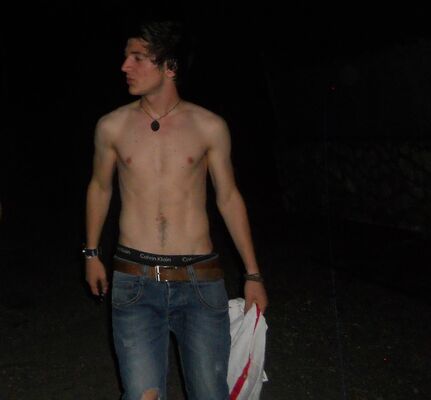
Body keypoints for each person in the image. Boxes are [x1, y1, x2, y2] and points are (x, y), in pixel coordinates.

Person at [84, 20, 268, 400]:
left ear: (169, 66)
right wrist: (91, 253)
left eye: (137, 57)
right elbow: (100, 188)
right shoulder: (111, 126)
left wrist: (253, 273)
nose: (124, 66)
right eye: (125, 56)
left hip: (200, 282)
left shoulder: (209, 126)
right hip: (134, 281)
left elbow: (229, 197)